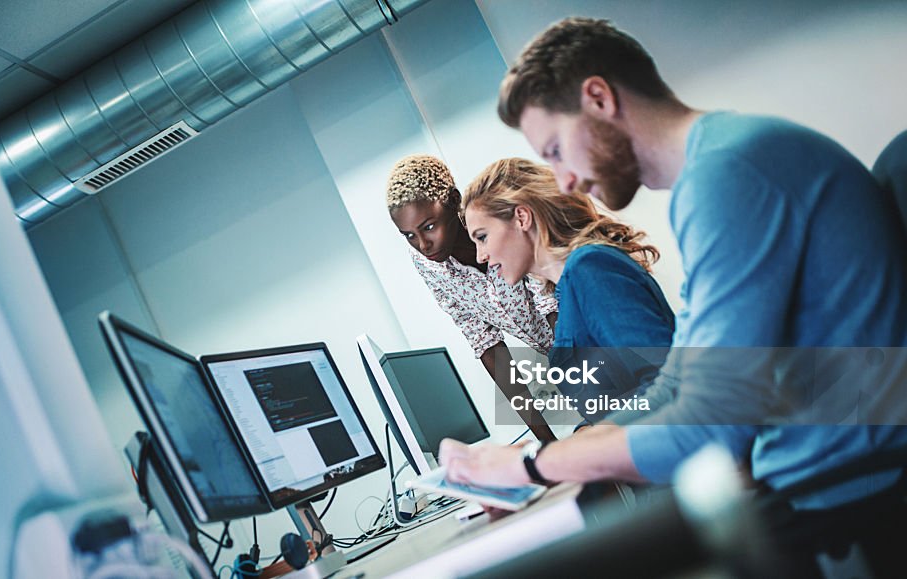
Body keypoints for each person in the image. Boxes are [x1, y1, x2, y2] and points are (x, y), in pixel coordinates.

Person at [440, 17, 907, 573]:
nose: (561, 180)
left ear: (599, 99)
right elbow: (676, 384)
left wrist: (532, 468)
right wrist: (534, 459)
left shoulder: (730, 174)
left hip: (844, 499)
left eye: (558, 149)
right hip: (815, 484)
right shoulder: (717, 172)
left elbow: (708, 425)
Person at [461, 157, 674, 426]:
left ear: (521, 218)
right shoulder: (567, 291)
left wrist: (575, 448)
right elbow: (614, 403)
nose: (481, 255)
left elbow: (667, 385)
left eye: (482, 237)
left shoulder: (590, 268)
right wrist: (582, 433)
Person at [386, 154, 558, 442]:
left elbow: (551, 304)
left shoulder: (501, 221)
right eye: (409, 236)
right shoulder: (428, 265)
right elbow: (485, 343)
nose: (423, 245)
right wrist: (547, 442)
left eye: (429, 226)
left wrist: (590, 393)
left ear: (454, 201)